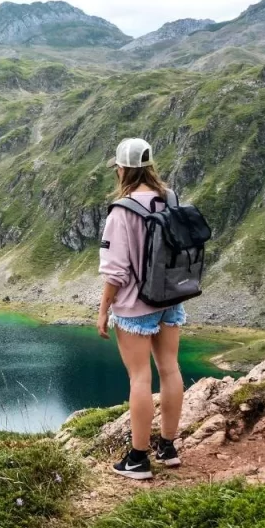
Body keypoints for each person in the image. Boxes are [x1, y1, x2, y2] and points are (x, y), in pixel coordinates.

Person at [97, 138, 184, 480]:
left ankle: (137, 458)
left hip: (135, 306)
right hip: (171, 299)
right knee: (170, 369)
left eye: (116, 167)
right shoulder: (171, 200)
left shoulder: (122, 211)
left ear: (123, 169)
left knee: (139, 377)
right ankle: (169, 447)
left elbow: (116, 271)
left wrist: (104, 309)